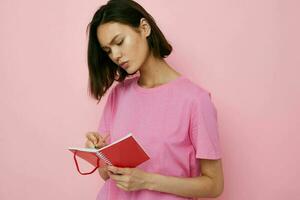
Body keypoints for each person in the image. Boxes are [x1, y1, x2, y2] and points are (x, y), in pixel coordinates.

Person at [84, 0, 224, 199]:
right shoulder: (118, 95)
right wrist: (100, 154)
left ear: (144, 28)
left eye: (119, 42)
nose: (115, 55)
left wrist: (146, 180)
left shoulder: (195, 100)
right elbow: (106, 175)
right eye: (108, 50)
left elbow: (214, 185)